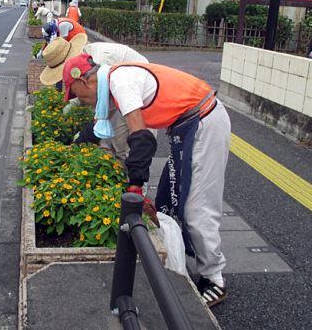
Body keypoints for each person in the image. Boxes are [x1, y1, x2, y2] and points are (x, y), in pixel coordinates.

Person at [61, 53, 231, 308]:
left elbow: (141, 138)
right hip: (186, 126)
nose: (82, 102)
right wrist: (68, 154)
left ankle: (214, 279)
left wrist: (135, 188)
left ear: (86, 82)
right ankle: (197, 264)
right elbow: (96, 129)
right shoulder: (107, 86)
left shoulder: (121, 81)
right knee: (172, 197)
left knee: (197, 206)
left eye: (79, 96)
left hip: (204, 120)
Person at [39, 38, 158, 178]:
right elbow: (102, 100)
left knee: (136, 151)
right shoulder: (84, 63)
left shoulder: (97, 63)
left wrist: (80, 142)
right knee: (118, 146)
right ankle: (119, 187)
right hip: (119, 93)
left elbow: (104, 108)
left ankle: (137, 194)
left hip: (142, 94)